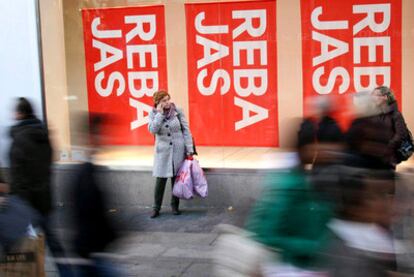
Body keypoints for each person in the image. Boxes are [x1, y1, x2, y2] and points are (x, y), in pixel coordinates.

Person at [8, 97, 73, 276]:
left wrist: (18, 205)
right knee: (52, 240)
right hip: (45, 198)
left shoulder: (19, 139)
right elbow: (49, 162)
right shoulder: (44, 135)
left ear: (20, 113)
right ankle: (66, 271)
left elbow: (18, 177)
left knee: (23, 245)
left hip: (27, 203)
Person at [69, 113, 121, 276]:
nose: (105, 139)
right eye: (101, 133)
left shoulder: (90, 170)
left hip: (91, 250)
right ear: (91, 137)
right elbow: (88, 213)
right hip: (91, 252)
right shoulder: (85, 174)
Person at [148, 90, 194, 218]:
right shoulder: (153, 113)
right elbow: (152, 130)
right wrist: (160, 114)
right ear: (158, 103)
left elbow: (186, 130)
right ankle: (156, 208)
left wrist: (189, 149)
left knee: (176, 179)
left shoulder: (177, 111)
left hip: (178, 150)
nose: (167, 102)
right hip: (162, 152)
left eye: (168, 99)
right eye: (164, 101)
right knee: (160, 180)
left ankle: (175, 206)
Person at [370, 86, 410, 168]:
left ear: (385, 97)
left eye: (375, 95)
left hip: (389, 158)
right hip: (376, 156)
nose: (372, 98)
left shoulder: (396, 114)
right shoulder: (375, 113)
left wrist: (387, 147)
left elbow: (401, 135)